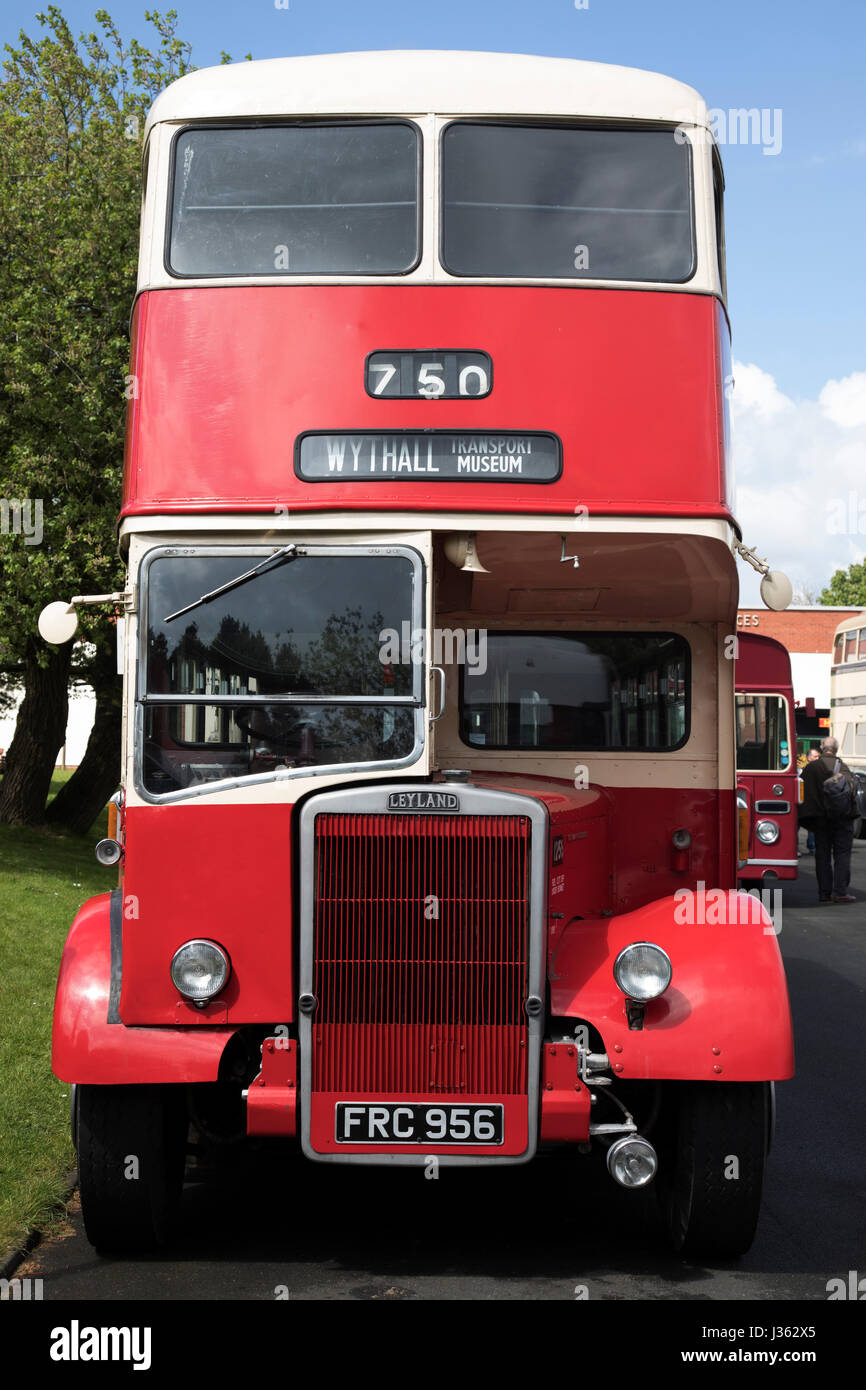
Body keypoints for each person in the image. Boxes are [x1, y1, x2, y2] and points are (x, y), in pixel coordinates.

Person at [798, 736, 858, 903]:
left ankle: (824, 892)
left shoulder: (811, 768)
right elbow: (852, 790)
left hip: (820, 819)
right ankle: (840, 891)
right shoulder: (843, 767)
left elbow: (803, 792)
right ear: (836, 749)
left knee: (822, 855)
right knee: (842, 854)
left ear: (822, 747)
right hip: (842, 819)